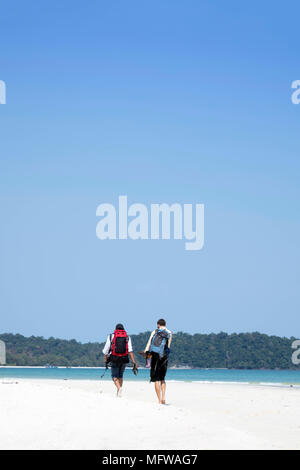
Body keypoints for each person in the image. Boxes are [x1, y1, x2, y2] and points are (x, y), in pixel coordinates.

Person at [102, 323, 137, 397]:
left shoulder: (111, 336)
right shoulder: (127, 337)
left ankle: (119, 388)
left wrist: (106, 361)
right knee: (120, 375)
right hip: (124, 358)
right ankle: (119, 393)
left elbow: (105, 351)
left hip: (114, 358)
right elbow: (130, 350)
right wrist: (134, 362)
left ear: (115, 329)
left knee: (114, 376)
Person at [144, 319, 172, 404]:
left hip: (155, 355)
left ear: (158, 324)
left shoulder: (155, 331)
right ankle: (163, 397)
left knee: (156, 379)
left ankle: (159, 400)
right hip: (163, 356)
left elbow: (149, 343)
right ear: (165, 324)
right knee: (162, 378)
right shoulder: (169, 333)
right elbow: (168, 345)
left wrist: (146, 352)